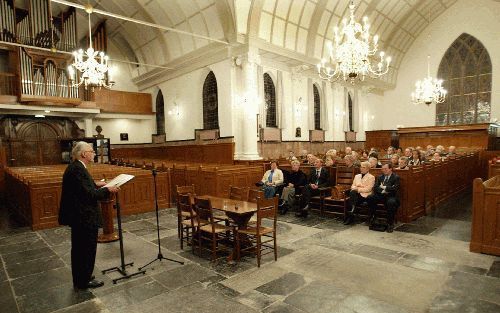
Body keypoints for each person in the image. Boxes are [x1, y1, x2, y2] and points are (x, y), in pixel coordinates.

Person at [59, 141, 119, 290]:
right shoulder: (78, 169)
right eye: (92, 151)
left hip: (79, 216)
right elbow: (89, 195)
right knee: (86, 249)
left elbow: (83, 187)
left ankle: (82, 275)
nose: (94, 153)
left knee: (80, 249)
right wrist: (108, 189)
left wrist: (96, 183)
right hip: (83, 217)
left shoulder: (77, 167)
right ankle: (83, 281)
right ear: (84, 154)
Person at [366, 163, 400, 232]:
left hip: (391, 196)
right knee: (370, 197)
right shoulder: (380, 177)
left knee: (391, 202)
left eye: (385, 169)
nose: (384, 170)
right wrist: (383, 191)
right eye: (383, 169)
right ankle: (374, 217)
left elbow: (395, 188)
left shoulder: (396, 177)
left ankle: (390, 223)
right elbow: (375, 187)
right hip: (381, 195)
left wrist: (385, 187)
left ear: (390, 169)